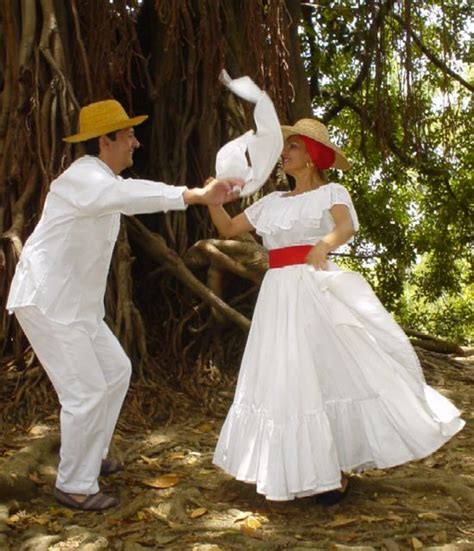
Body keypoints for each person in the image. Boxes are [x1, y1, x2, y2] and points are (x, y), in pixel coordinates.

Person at [208, 118, 464, 503]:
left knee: (325, 370)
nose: (285, 153)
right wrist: (213, 199)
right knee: (284, 375)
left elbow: (345, 227)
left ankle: (333, 468)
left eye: (293, 147)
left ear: (311, 157)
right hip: (277, 295)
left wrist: (324, 244)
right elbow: (228, 229)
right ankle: (292, 469)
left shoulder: (332, 193)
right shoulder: (272, 202)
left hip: (312, 287)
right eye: (286, 146)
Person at [6, 99, 243, 511]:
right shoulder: (83, 178)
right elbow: (130, 195)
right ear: (106, 140)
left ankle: (91, 454)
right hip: (47, 301)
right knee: (85, 392)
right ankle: (74, 484)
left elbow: (122, 196)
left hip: (77, 309)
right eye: (129, 134)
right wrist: (195, 195)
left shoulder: (102, 183)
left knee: (116, 371)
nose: (136, 141)